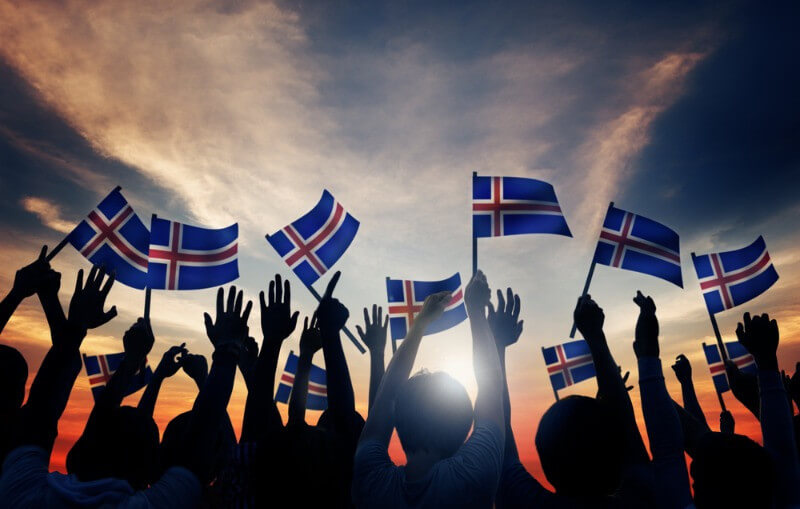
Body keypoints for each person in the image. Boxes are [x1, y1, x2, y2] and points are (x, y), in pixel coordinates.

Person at [352, 270, 505, 508]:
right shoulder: (475, 476)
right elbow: (491, 387)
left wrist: (420, 323)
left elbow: (386, 397)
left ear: (398, 420)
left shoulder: (371, 482)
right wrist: (476, 311)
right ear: (465, 425)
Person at [497, 293, 655, 508]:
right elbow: (625, 424)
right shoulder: (643, 499)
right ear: (616, 453)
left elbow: (499, 432)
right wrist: (595, 335)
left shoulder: (526, 501)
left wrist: (497, 346)